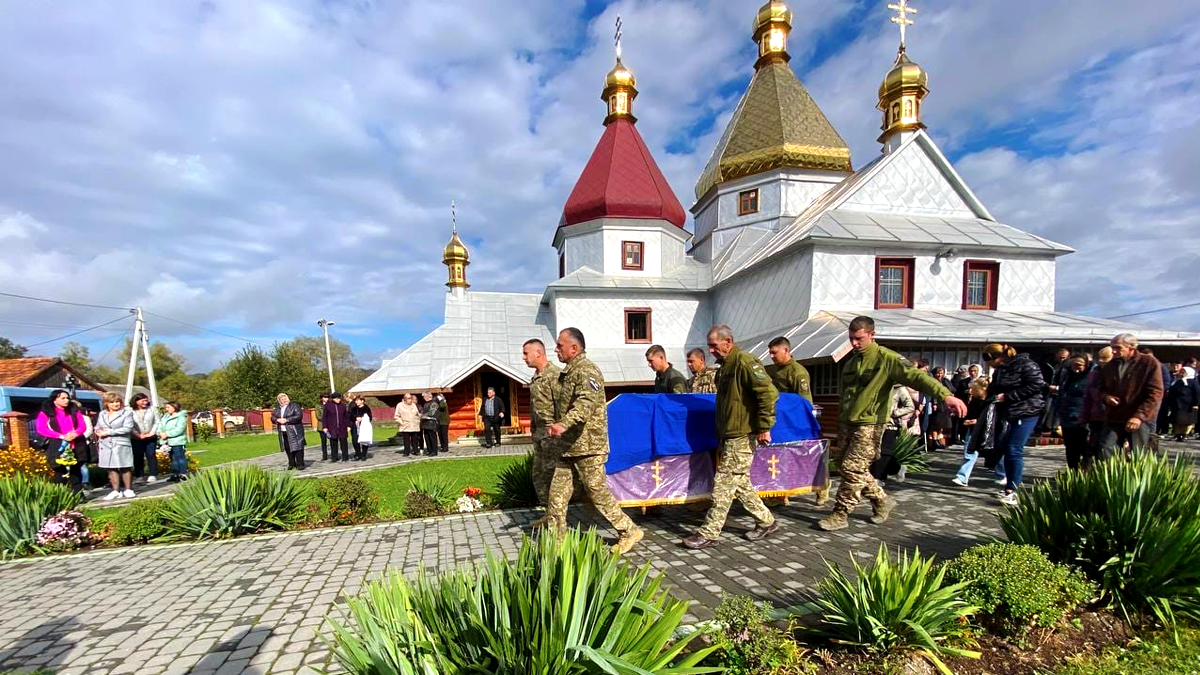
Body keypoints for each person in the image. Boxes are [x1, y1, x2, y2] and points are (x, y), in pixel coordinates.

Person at [818, 316, 967, 531]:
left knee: (853, 468)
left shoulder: (886, 359)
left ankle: (840, 514)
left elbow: (917, 377)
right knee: (847, 468)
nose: (854, 343)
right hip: (847, 423)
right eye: (851, 338)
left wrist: (945, 396)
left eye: (859, 338)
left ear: (872, 335)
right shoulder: (851, 362)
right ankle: (881, 500)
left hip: (870, 424)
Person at [545, 327, 644, 555]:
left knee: (597, 493)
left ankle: (629, 530)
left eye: (560, 345)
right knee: (556, 496)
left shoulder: (587, 371)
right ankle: (556, 545)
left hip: (588, 446)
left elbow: (586, 404)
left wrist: (563, 424)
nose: (556, 349)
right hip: (568, 447)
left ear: (574, 347)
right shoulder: (569, 372)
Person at [683, 325, 779, 549]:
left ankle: (709, 532)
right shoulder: (725, 367)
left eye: (714, 346)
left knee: (724, 484)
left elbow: (768, 394)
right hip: (730, 435)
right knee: (740, 483)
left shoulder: (744, 362)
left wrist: (764, 426)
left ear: (728, 342)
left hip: (742, 435)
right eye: (709, 346)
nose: (711, 351)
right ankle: (767, 522)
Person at [982, 343, 1046, 505]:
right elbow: (994, 389)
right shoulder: (1002, 369)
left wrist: (1009, 396)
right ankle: (1008, 485)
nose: (989, 366)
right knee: (1004, 448)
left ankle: (1012, 490)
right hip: (1009, 413)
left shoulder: (1027, 364)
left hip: (1027, 411)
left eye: (990, 362)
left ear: (998, 358)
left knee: (1013, 449)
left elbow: (1037, 385)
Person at [1097, 333, 1164, 459]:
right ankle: (1111, 477)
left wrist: (1139, 416)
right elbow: (1100, 388)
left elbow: (1155, 392)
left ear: (1131, 347)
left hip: (1138, 416)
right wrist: (1106, 397)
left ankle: (1137, 478)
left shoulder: (1148, 363)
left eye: (1118, 348)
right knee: (1106, 449)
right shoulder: (1110, 365)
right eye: (1112, 347)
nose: (1114, 351)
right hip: (1115, 416)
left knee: (1138, 453)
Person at [523, 338, 561, 513]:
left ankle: (557, 518)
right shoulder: (536, 377)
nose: (523, 358)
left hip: (553, 436)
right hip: (540, 435)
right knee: (539, 477)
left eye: (526, 353)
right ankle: (549, 513)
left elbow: (562, 405)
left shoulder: (554, 375)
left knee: (554, 478)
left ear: (538, 353)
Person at [34, 389, 91, 491]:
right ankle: (61, 493)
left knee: (76, 470)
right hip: (57, 444)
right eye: (63, 398)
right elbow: (41, 428)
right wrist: (60, 436)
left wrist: (75, 434)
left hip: (76, 443)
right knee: (59, 470)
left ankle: (78, 493)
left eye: (67, 398)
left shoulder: (74, 410)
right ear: (55, 400)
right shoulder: (46, 413)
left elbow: (82, 425)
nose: (66, 400)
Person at [951, 378, 1005, 486]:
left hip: (989, 431)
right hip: (974, 430)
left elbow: (995, 418)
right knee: (969, 453)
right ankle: (962, 477)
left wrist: (977, 421)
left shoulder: (993, 401)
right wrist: (967, 420)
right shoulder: (974, 400)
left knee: (995, 453)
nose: (972, 391)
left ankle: (1002, 474)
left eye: (974, 389)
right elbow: (969, 413)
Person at [869, 384, 916, 483]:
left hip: (891, 424)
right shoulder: (878, 385)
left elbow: (910, 406)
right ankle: (897, 468)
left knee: (884, 451)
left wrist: (895, 413)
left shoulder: (899, 389)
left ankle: (879, 478)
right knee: (874, 450)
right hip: (875, 423)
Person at [95, 392, 136, 500]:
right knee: (111, 468)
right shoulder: (102, 414)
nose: (115, 404)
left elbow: (127, 428)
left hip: (120, 443)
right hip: (105, 444)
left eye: (117, 401)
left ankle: (128, 489)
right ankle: (115, 491)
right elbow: (98, 426)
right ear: (106, 403)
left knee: (125, 466)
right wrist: (98, 431)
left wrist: (109, 432)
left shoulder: (127, 413)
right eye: (112, 402)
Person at [1054, 356, 1092, 470]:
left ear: (1085, 366)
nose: (1076, 369)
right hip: (1067, 417)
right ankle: (1073, 471)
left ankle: (1085, 473)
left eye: (1079, 366)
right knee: (1070, 448)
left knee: (1084, 448)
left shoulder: (1090, 378)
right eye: (1073, 366)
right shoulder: (1068, 376)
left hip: (1082, 417)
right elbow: (1062, 394)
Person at [1079, 346, 1113, 462]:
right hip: (1096, 416)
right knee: (1092, 448)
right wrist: (1083, 417)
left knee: (1106, 448)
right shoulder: (1094, 374)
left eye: (1105, 358)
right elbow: (1087, 397)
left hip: (1111, 417)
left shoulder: (1117, 374)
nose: (1101, 361)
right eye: (1100, 358)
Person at [765, 336, 812, 401]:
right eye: (770, 353)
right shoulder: (776, 369)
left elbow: (805, 401)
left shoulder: (797, 372)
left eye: (774, 352)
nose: (771, 356)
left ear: (785, 350)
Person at [129, 393, 160, 484]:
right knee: (138, 456)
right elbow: (129, 424)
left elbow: (157, 422)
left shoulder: (153, 409)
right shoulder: (130, 411)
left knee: (150, 454)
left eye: (146, 400)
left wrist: (151, 433)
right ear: (136, 401)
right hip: (136, 437)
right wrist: (137, 435)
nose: (145, 402)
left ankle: (153, 474)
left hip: (151, 436)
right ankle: (139, 475)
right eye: (142, 401)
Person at [1166, 366, 1200, 441]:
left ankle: (1184, 434)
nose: (1181, 373)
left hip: (1188, 405)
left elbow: (1197, 393)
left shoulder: (1193, 382)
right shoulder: (1177, 381)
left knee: (1188, 421)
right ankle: (1178, 434)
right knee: (1177, 420)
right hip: (1177, 404)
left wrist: (1196, 404)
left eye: (1183, 372)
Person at [158, 401, 189, 481]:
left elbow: (179, 429)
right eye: (166, 407)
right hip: (167, 442)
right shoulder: (165, 416)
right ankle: (175, 474)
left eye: (168, 407)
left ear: (174, 407)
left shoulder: (181, 417)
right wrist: (160, 433)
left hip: (177, 441)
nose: (166, 409)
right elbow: (160, 425)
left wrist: (167, 434)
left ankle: (183, 473)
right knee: (172, 459)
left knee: (180, 457)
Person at [274, 393, 306, 470]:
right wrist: (277, 420)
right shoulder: (277, 408)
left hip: (295, 430)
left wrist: (286, 420)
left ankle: (300, 463)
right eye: (282, 399)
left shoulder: (294, 406)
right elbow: (272, 417)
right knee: (288, 448)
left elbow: (298, 416)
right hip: (284, 431)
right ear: (279, 401)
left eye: (285, 398)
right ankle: (291, 463)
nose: (284, 400)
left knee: (298, 447)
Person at [926, 366, 953, 450]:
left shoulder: (945, 381)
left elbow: (952, 390)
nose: (939, 375)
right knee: (935, 423)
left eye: (941, 373)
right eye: (938, 373)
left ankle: (939, 439)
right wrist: (934, 403)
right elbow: (933, 393)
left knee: (942, 424)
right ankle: (934, 440)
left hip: (944, 405)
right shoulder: (933, 381)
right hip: (936, 403)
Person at [322, 392, 350, 462]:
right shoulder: (328, 406)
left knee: (344, 442)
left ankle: (345, 457)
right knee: (333, 443)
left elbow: (346, 417)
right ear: (333, 399)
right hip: (332, 427)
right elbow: (324, 417)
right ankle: (334, 457)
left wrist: (348, 425)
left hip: (342, 427)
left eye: (339, 398)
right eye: (337, 398)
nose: (338, 400)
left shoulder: (343, 406)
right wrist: (325, 427)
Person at [419, 392, 440, 457]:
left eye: (424, 396)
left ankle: (434, 451)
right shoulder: (426, 403)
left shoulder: (434, 403)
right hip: (425, 423)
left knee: (432, 438)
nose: (423, 398)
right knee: (427, 437)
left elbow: (432, 412)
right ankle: (429, 450)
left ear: (428, 396)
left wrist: (422, 415)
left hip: (431, 423)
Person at [316, 393, 330, 460]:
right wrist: (325, 420)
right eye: (324, 397)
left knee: (333, 440)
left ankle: (334, 454)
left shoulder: (331, 404)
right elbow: (318, 416)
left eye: (327, 397)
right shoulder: (318, 406)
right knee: (323, 441)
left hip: (330, 425)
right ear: (322, 398)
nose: (326, 399)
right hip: (321, 426)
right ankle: (324, 455)